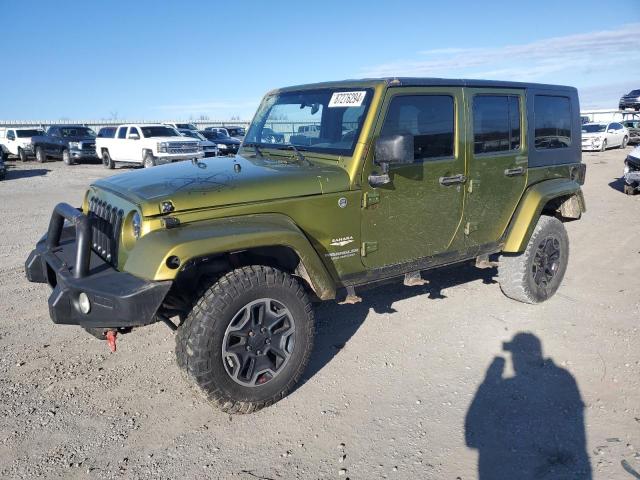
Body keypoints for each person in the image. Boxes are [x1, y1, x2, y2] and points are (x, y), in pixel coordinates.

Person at [465, 332, 592, 479]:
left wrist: (489, 381)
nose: (513, 358)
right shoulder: (563, 377)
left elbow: (472, 438)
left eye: (515, 354)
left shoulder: (509, 386)